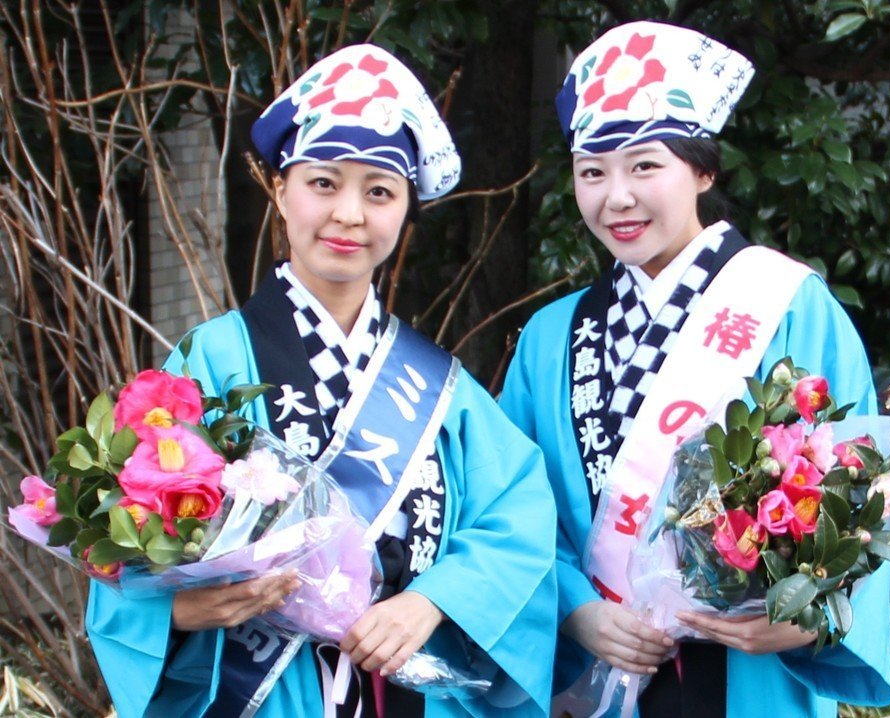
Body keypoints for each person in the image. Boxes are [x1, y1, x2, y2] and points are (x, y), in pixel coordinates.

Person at [86, 44, 557, 718]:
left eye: (380, 192)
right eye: (324, 183)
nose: (349, 215)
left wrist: (432, 601)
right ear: (280, 190)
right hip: (264, 695)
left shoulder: (440, 388)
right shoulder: (211, 361)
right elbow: (127, 541)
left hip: (403, 688)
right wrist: (183, 611)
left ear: (405, 212)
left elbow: (518, 518)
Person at [499, 20, 890, 718]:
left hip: (745, 670)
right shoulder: (550, 337)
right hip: (595, 665)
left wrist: (810, 611)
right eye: (592, 171)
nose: (615, 197)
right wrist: (574, 608)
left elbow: (863, 490)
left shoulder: (790, 307)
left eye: (645, 166)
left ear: (703, 170)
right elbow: (508, 505)